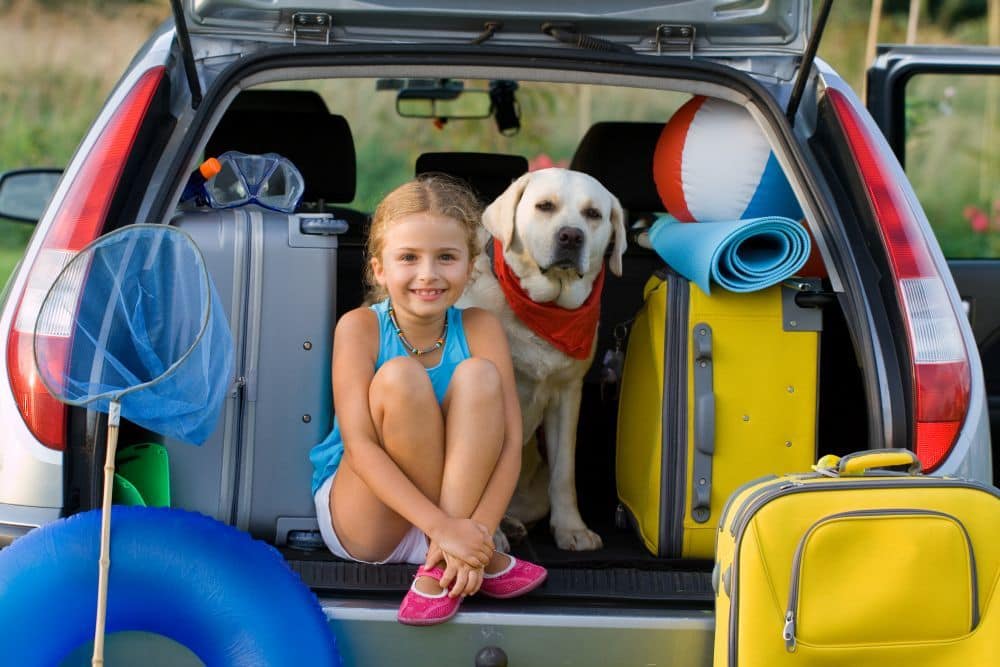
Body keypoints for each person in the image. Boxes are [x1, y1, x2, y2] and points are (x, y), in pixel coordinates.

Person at [309, 174, 547, 626]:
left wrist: (474, 535)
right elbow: (360, 448)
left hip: (458, 520)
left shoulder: (480, 327)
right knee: (401, 376)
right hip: (370, 514)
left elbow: (511, 443)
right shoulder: (359, 327)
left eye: (446, 258)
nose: (428, 274)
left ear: (471, 264)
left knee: (479, 376)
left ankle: (443, 567)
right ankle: (458, 553)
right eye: (408, 258)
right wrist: (450, 532)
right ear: (379, 268)